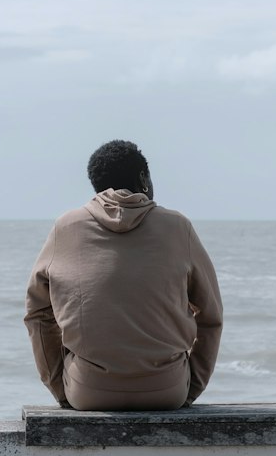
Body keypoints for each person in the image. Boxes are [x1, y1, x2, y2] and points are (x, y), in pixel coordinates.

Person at [25, 140, 223, 411]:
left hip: (87, 392)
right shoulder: (178, 227)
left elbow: (37, 314)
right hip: (168, 391)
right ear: (143, 178)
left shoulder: (66, 227)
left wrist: (61, 388)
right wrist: (190, 389)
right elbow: (211, 316)